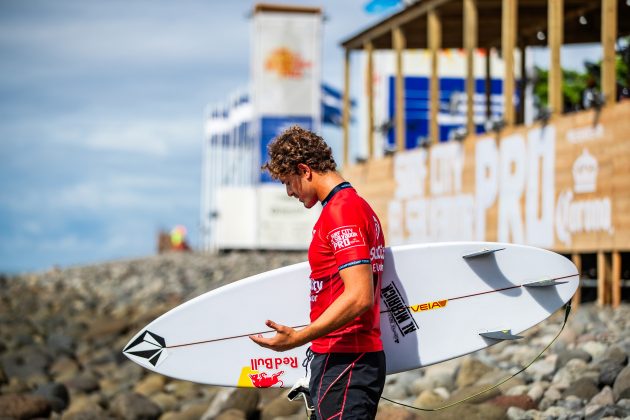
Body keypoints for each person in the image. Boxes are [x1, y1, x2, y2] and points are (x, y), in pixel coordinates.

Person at [250, 126, 386, 419]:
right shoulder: (356, 207)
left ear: (304, 169)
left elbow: (361, 296)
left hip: (347, 359)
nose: (289, 193)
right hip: (344, 357)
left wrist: (299, 338)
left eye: (289, 182)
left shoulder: (342, 212)